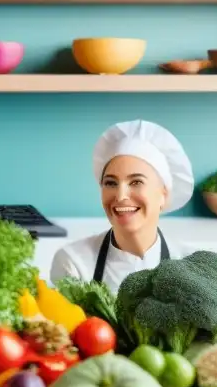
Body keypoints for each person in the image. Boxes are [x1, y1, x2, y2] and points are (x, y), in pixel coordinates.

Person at [50, 119, 195, 294]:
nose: (120, 196)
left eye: (136, 182)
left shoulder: (193, 266)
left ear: (163, 195)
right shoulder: (73, 263)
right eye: (111, 183)